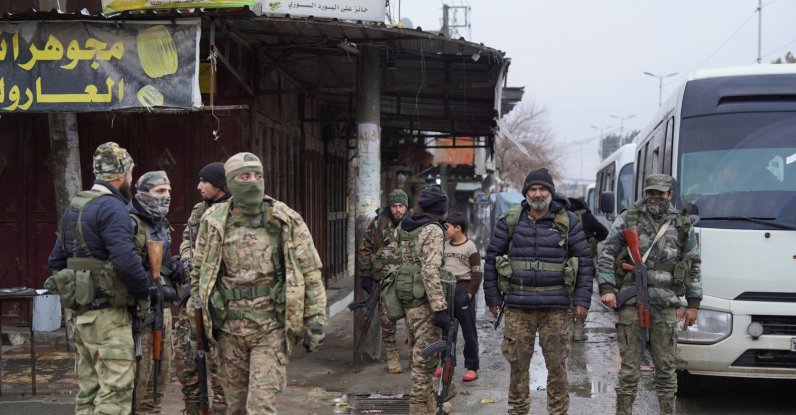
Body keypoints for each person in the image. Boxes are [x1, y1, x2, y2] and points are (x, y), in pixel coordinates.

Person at [191, 152, 327, 415]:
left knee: (261, 407)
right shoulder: (214, 221)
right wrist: (194, 318)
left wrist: (316, 318)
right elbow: (199, 273)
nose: (253, 182)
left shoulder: (285, 219)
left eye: (258, 176)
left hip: (270, 328)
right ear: (230, 182)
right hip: (229, 330)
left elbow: (311, 271)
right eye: (245, 177)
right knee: (236, 407)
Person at [46, 142, 153, 414]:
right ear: (120, 175)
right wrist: (145, 291)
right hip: (108, 319)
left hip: (81, 319)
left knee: (88, 393)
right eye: (130, 173)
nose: (131, 179)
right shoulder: (113, 208)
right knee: (115, 394)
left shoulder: (77, 206)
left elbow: (56, 261)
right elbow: (126, 261)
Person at [483, 168, 593, 415]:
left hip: (555, 307)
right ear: (526, 193)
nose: (538, 193)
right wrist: (492, 297)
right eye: (533, 189)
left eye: (543, 189)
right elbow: (492, 258)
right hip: (517, 307)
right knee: (518, 365)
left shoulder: (568, 221)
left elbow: (584, 260)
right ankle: (518, 411)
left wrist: (583, 299)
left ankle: (558, 412)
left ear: (551, 192)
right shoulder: (510, 220)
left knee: (557, 366)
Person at [597, 174, 702, 415]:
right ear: (645, 193)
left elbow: (693, 264)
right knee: (629, 369)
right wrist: (607, 289)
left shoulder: (682, 224)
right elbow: (607, 254)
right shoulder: (628, 218)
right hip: (631, 303)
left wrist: (693, 303)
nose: (655, 198)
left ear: (670, 195)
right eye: (651, 193)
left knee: (666, 369)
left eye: (661, 194)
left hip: (666, 306)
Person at [376, 184, 452, 415]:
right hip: (424, 301)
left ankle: (430, 404)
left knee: (419, 352)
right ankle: (418, 408)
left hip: (408, 297)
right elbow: (430, 270)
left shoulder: (406, 226)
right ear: (441, 209)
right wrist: (439, 307)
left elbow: (394, 256)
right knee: (424, 359)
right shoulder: (433, 230)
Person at [174, 162, 230, 414]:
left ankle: (222, 407)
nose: (198, 186)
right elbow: (186, 238)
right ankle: (193, 407)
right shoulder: (199, 210)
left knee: (222, 366)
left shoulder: (234, 211)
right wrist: (187, 259)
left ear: (218, 184)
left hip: (222, 299)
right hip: (193, 296)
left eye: (203, 181)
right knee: (185, 361)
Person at [128, 171, 185, 414]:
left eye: (169, 191)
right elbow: (124, 263)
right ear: (142, 193)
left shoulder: (160, 223)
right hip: (139, 312)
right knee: (140, 378)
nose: (166, 197)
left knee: (161, 375)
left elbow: (164, 263)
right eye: (160, 191)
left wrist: (175, 268)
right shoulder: (131, 222)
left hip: (162, 309)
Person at [357, 188, 409, 374]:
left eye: (401, 206)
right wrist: (365, 274)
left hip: (408, 281)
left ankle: (413, 353)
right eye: (394, 206)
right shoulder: (379, 224)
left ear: (406, 206)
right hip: (385, 281)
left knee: (412, 320)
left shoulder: (412, 224)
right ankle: (392, 356)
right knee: (387, 321)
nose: (398, 210)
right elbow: (365, 249)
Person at [440, 211, 482, 382]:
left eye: (447, 227)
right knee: (446, 329)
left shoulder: (470, 247)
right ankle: (445, 364)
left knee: (468, 331)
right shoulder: (445, 245)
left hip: (464, 289)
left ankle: (472, 367)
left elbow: (477, 273)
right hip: (447, 289)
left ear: (458, 228)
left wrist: (470, 293)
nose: (445, 230)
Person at [567, 196, 608, 341]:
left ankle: (570, 329)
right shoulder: (587, 216)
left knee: (568, 296)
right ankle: (579, 330)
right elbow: (604, 233)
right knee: (582, 294)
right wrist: (591, 240)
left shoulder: (563, 215)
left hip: (566, 264)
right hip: (585, 261)